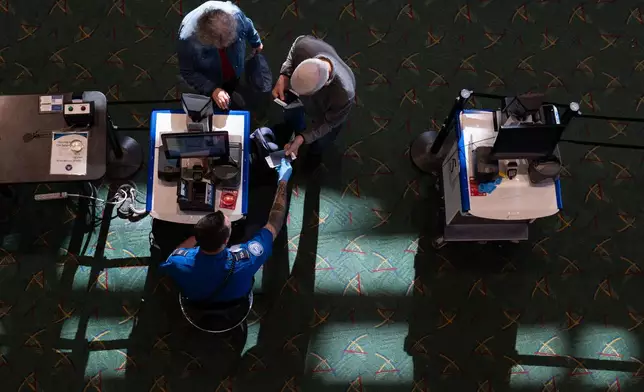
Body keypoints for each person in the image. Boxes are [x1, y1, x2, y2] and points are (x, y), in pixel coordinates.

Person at [159, 158, 292, 303]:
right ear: (226, 240)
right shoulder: (248, 258)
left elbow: (173, 256)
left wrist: (200, 235)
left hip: (196, 302)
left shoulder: (179, 261)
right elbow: (274, 223)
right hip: (237, 300)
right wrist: (283, 181)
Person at [272, 35, 356, 157]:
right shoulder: (304, 46)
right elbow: (294, 50)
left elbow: (328, 123)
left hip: (330, 115)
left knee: (319, 144)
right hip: (313, 103)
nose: (297, 95)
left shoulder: (344, 95)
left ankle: (314, 154)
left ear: (323, 86)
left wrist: (302, 138)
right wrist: (284, 74)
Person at [178, 1, 263, 110]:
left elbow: (248, 25)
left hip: (233, 66)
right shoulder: (187, 38)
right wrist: (212, 89)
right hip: (209, 75)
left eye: (230, 42)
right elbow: (188, 71)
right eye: (220, 45)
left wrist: (256, 42)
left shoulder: (236, 15)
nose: (224, 47)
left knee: (233, 83)